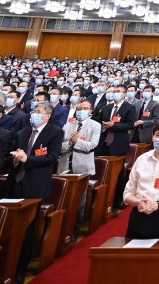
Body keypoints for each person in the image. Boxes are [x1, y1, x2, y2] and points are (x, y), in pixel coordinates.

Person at [7, 103, 62, 283]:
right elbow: (12, 156)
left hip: (35, 184)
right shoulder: (22, 132)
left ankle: (21, 267)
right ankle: (6, 264)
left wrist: (27, 159)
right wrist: (16, 159)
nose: (34, 114)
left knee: (28, 227)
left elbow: (52, 157)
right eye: (34, 111)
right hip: (15, 182)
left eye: (38, 112)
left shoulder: (55, 132)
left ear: (48, 115)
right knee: (10, 225)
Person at [59, 99, 100, 229]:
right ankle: (62, 228)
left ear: (90, 112)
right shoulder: (68, 125)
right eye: (79, 109)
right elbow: (59, 146)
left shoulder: (95, 125)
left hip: (82, 167)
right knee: (64, 200)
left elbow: (92, 146)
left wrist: (76, 142)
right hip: (65, 165)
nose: (81, 111)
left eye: (85, 109)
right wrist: (70, 143)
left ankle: (74, 230)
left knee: (79, 202)